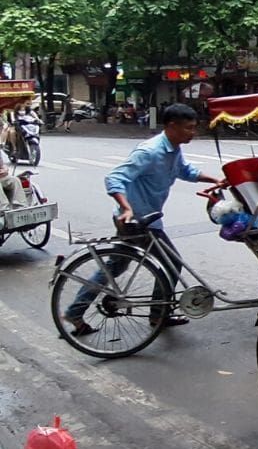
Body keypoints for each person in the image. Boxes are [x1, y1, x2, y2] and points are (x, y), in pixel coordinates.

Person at [63, 103, 224, 336]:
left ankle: (76, 312)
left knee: (114, 268)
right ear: (171, 126)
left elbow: (186, 171)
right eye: (188, 128)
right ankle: (159, 314)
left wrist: (214, 179)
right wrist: (126, 207)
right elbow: (115, 178)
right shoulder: (149, 151)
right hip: (139, 221)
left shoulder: (173, 149)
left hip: (144, 220)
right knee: (172, 264)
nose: (193, 133)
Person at [0, 145, 24, 211]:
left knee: (15, 180)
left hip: (1, 177)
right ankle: (3, 208)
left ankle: (19, 206)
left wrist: (5, 169)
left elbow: (2, 165)